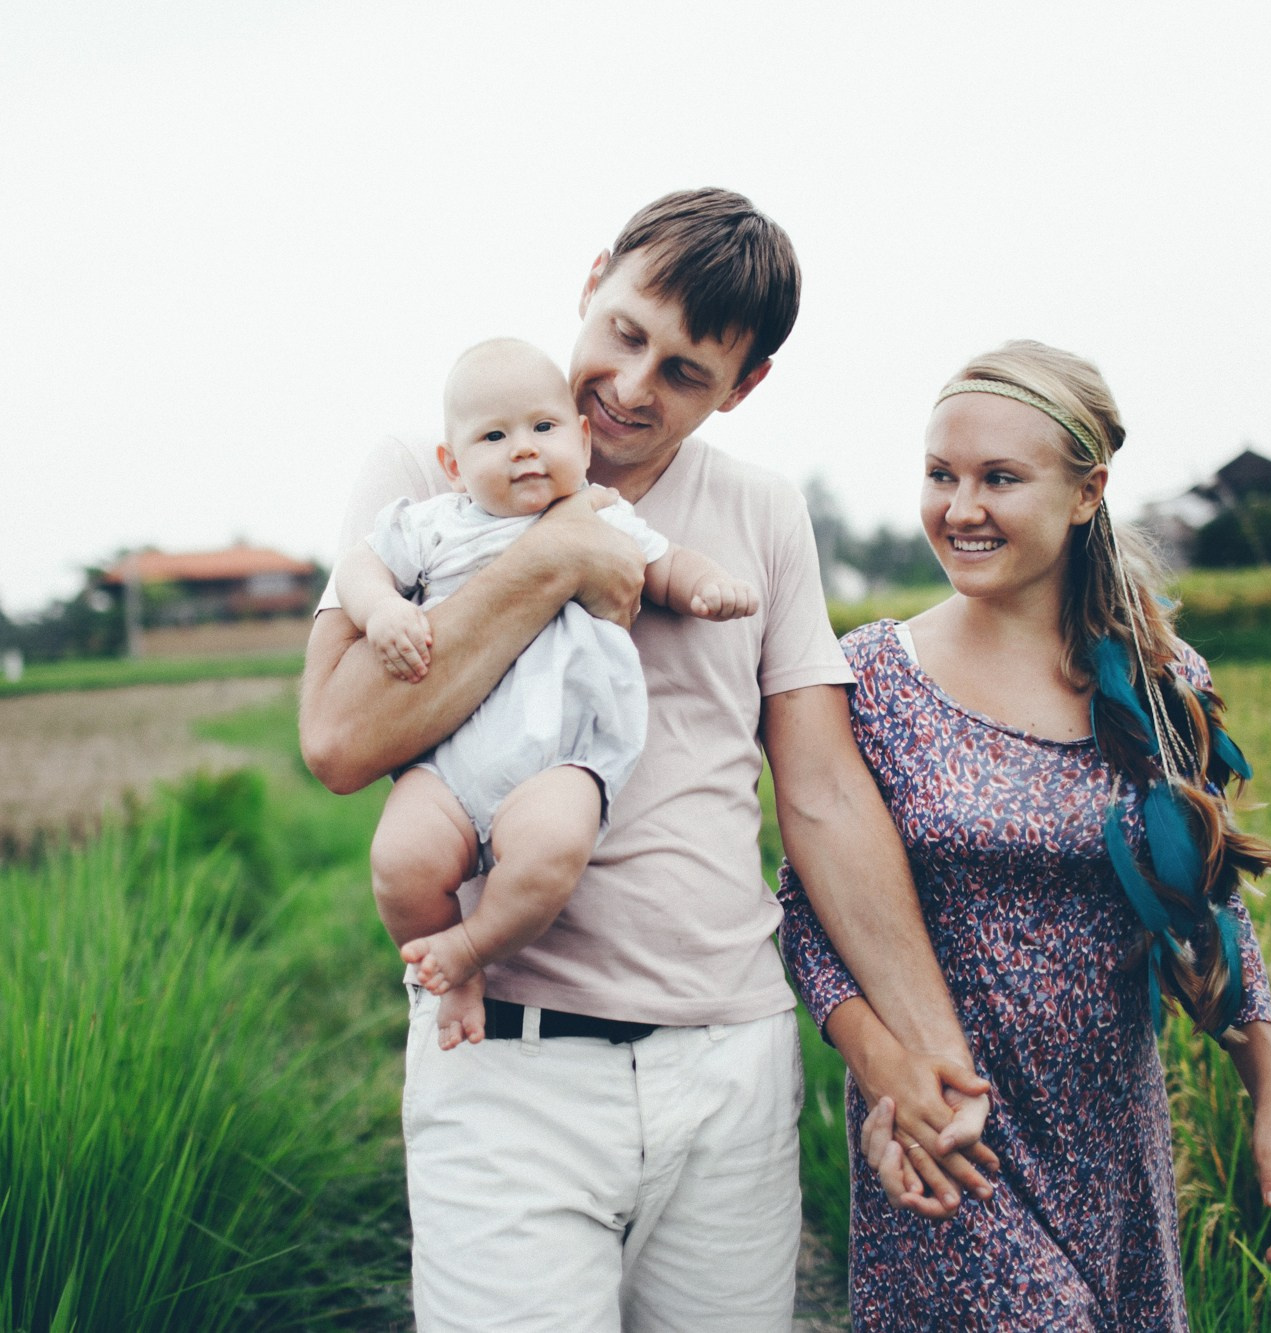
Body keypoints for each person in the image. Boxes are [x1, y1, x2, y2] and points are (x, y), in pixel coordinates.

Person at [300, 188, 994, 1331]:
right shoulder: (428, 470)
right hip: (507, 1064)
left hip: (729, 1065)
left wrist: (925, 1048)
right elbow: (335, 740)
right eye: (623, 333)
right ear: (591, 280)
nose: (629, 385)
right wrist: (555, 554)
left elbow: (819, 794)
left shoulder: (762, 511)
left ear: (742, 386)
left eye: (682, 371)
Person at [776, 339, 1271, 1330]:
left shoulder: (1160, 681)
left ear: (1084, 492)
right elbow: (806, 915)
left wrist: (1268, 1092)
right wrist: (881, 1070)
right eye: (939, 474)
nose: (959, 507)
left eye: (998, 478)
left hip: (1109, 1148)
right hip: (951, 1140)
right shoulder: (871, 681)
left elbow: (1205, 905)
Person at [335, 337, 757, 1051]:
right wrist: (382, 610)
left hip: (560, 759)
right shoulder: (435, 524)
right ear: (453, 464)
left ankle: (473, 946)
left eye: (543, 428)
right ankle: (447, 967)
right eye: (494, 436)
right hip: (449, 767)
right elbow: (358, 566)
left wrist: (704, 586)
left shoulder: (602, 514)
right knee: (399, 860)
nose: (523, 449)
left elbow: (664, 566)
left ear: (582, 439)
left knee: (552, 849)